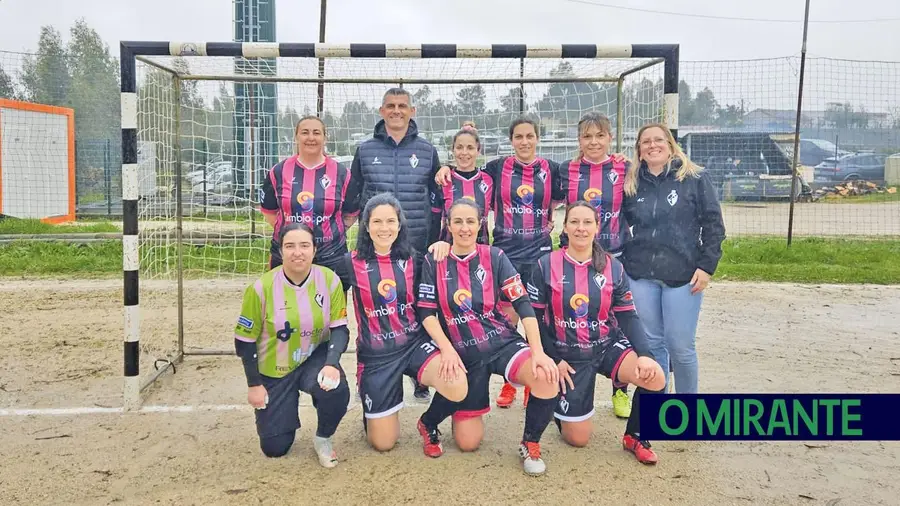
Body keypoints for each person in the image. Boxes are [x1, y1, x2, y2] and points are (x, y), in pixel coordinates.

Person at [415, 198, 560, 476]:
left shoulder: (494, 256)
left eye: (471, 221)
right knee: (468, 443)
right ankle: (428, 421)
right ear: (448, 224)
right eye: (458, 221)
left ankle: (530, 443)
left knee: (545, 375)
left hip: (501, 341)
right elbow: (427, 313)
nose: (465, 228)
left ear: (481, 223)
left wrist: (538, 351)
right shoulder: (435, 259)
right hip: (464, 352)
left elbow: (523, 304)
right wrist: (446, 349)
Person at [528, 201, 666, 464]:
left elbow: (627, 314)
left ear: (597, 227)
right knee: (577, 440)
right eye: (575, 222)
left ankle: (636, 436)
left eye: (587, 222)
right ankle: (560, 406)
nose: (581, 228)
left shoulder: (613, 266)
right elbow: (533, 320)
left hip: (606, 346)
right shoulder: (546, 265)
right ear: (565, 227)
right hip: (568, 356)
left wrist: (645, 354)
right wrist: (553, 359)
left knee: (655, 376)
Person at [436, 117, 558, 410]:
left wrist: (551, 216)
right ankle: (509, 380)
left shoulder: (552, 169)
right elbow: (466, 169)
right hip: (505, 251)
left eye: (530, 136)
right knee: (507, 319)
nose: (524, 141)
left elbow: (561, 196)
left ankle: (532, 378)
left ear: (537, 138)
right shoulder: (497, 169)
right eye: (518, 136)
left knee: (538, 318)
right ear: (511, 140)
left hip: (540, 251)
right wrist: (445, 167)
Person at [347, 87, 449, 402]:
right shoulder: (364, 150)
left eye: (402, 106)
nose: (396, 111)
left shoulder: (428, 151)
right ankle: (371, 369)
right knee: (374, 310)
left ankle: (419, 374)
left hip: (415, 247)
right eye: (390, 106)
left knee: (419, 309)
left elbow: (439, 199)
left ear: (412, 111)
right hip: (373, 252)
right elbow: (352, 198)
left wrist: (437, 241)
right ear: (381, 111)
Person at [344, 192, 468, 452]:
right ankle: (372, 403)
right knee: (383, 444)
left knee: (457, 385)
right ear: (366, 225)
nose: (384, 228)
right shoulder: (349, 263)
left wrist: (444, 244)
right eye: (377, 222)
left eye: (390, 221)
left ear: (399, 225)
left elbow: (455, 266)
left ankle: (428, 421)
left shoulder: (416, 259)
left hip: (413, 346)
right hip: (377, 356)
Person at [233, 222, 351, 467]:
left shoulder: (329, 280)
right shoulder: (261, 288)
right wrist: (254, 385)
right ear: (280, 251)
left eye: (304, 245)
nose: (298, 252)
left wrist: (331, 364)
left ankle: (323, 438)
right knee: (275, 448)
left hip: (313, 358)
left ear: (314, 250)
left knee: (336, 388)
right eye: (290, 246)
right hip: (274, 368)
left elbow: (340, 328)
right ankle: (284, 406)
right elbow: (244, 342)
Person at [621, 123, 726, 394]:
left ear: (670, 145)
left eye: (659, 140)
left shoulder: (695, 178)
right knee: (653, 343)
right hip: (641, 274)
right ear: (639, 151)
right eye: (646, 142)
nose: (652, 145)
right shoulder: (631, 183)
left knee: (680, 347)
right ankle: (658, 405)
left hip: (683, 275)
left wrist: (706, 266)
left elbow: (713, 225)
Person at [556, 112, 633, 418]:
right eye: (587, 136)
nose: (594, 142)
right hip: (572, 259)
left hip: (613, 256)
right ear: (579, 140)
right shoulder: (567, 170)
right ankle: (563, 385)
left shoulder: (625, 167)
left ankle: (620, 388)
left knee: (614, 324)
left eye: (600, 135)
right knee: (570, 321)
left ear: (610, 138)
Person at [259, 115, 358, 292]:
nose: (311, 138)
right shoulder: (279, 171)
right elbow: (270, 212)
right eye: (305, 132)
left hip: (331, 254)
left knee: (332, 312)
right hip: (289, 254)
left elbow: (350, 215)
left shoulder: (342, 173)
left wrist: (327, 232)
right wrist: (293, 236)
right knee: (285, 308)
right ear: (296, 137)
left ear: (325, 138)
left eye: (316, 133)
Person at [431, 125, 493, 245]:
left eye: (470, 148)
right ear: (452, 150)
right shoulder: (443, 180)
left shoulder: (489, 180)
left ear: (478, 151)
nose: (464, 153)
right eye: (459, 147)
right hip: (448, 251)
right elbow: (434, 222)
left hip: (480, 250)